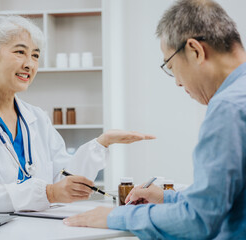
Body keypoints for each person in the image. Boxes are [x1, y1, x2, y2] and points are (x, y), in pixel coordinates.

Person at [63, 0, 246, 239]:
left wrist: (113, 217)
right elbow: (226, 198)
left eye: (171, 67)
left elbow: (198, 220)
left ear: (195, 51)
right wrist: (167, 197)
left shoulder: (228, 108)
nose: (178, 82)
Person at [0, 15, 155, 213]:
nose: (30, 64)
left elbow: (63, 176)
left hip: (41, 225)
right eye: (20, 52)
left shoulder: (35, 117)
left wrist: (101, 143)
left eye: (35, 55)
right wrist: (48, 193)